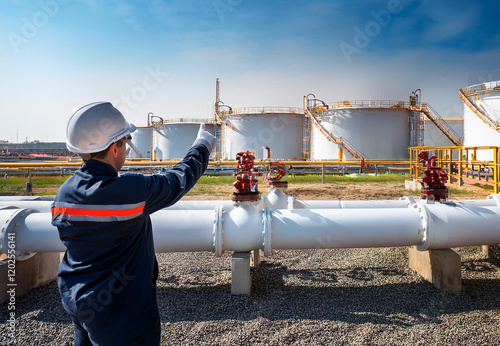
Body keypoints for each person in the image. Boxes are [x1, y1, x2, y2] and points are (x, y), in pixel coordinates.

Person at [51, 102, 217, 345]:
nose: (127, 149)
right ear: (113, 148)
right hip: (123, 315)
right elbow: (177, 181)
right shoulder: (128, 191)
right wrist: (202, 146)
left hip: (79, 302)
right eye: (126, 141)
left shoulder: (64, 194)